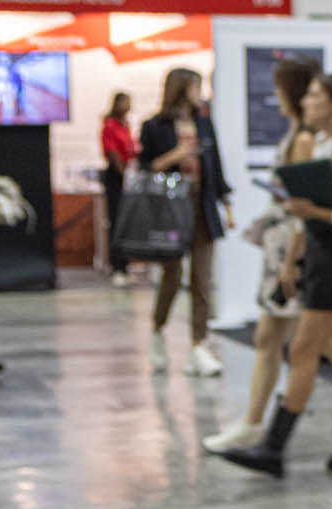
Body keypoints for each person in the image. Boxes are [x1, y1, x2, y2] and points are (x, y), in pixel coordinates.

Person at [202, 59, 332, 455]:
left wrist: (314, 218)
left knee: (305, 349)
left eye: (314, 95)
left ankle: (273, 445)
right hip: (322, 255)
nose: (305, 102)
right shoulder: (329, 146)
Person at [138, 68, 232, 376]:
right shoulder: (155, 126)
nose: (198, 92)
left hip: (202, 205)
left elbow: (215, 166)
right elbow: (145, 167)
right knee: (173, 274)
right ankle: (158, 328)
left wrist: (226, 203)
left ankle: (198, 344)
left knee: (202, 279)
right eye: (194, 86)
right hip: (170, 208)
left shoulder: (204, 123)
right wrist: (175, 155)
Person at [99, 91, 136, 286]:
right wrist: (123, 173)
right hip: (116, 177)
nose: (129, 106)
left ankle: (125, 265)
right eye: (126, 102)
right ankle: (117, 267)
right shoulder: (110, 125)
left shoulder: (125, 125)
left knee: (127, 223)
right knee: (116, 222)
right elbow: (112, 152)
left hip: (127, 175)